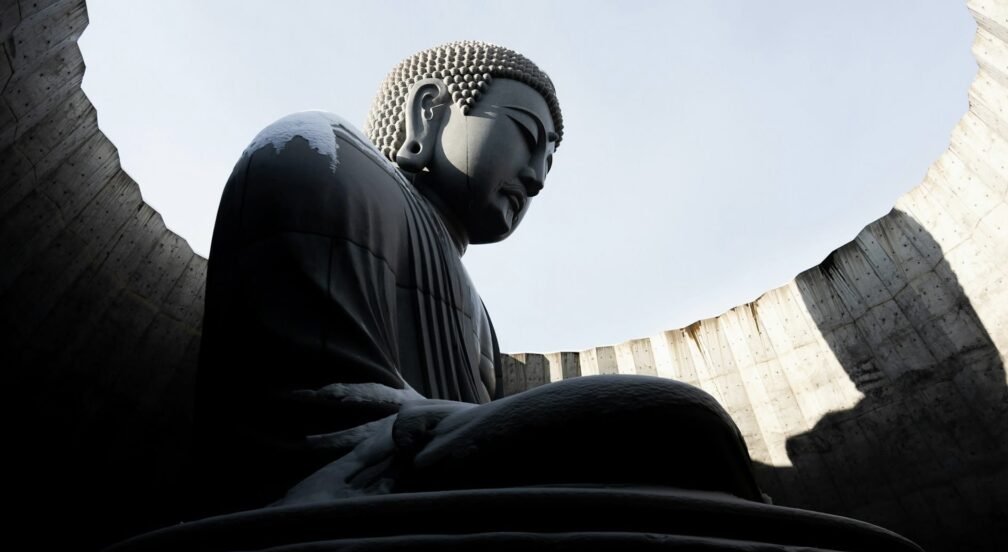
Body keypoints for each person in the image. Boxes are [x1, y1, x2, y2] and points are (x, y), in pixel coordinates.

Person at [193, 41, 762, 514]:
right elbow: (309, 411)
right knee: (682, 427)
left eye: (550, 162)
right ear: (429, 113)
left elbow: (472, 431)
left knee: (684, 439)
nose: (537, 179)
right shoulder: (322, 152)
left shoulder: (480, 314)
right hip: (347, 469)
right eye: (526, 138)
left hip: (444, 463)